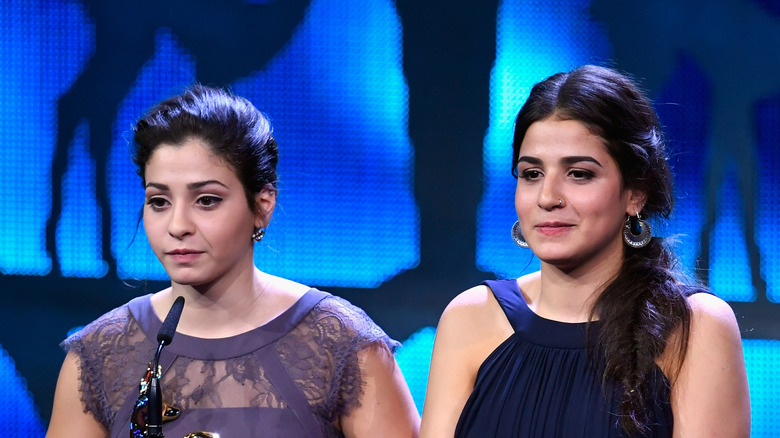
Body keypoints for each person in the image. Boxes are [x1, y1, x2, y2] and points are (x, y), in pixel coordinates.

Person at [46, 85, 420, 438]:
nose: (177, 226)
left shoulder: (340, 344)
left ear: (262, 205)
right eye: (159, 202)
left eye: (206, 200)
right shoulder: (99, 354)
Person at [420, 65, 750, 437]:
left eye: (579, 174)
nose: (547, 197)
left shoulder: (695, 326)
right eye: (531, 174)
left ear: (635, 192)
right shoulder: (469, 317)